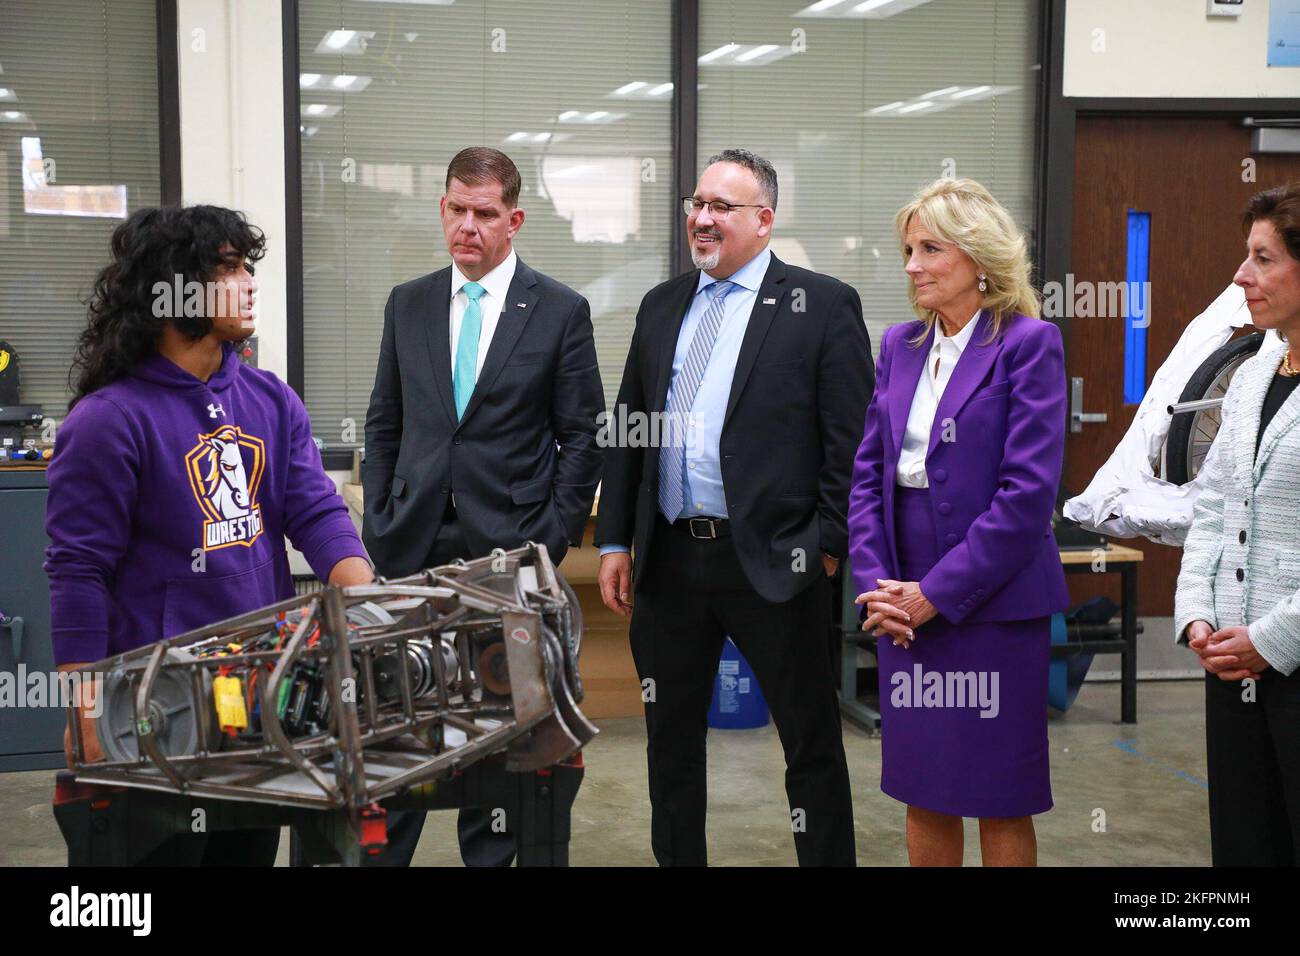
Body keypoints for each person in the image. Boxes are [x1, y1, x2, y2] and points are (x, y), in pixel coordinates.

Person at [45, 204, 374, 866]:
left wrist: (366, 594)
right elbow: (78, 572)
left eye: (248, 265)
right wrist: (84, 711)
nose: (250, 280)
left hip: (259, 700)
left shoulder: (271, 400)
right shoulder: (109, 420)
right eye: (229, 267)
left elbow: (314, 508)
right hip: (153, 711)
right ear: (173, 286)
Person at [595, 148, 871, 866]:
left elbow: (851, 443)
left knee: (809, 745)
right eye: (697, 203)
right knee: (671, 745)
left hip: (778, 563)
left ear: (764, 219)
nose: (703, 218)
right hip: (670, 562)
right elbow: (630, 426)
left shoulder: (821, 304)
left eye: (722, 206)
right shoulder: (661, 306)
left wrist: (830, 543)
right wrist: (616, 539)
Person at [361, 146, 603, 867]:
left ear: (514, 219)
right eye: (456, 210)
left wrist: (550, 538)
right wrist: (381, 514)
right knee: (396, 730)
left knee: (498, 737)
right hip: (411, 550)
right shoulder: (408, 303)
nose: (467, 226)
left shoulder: (559, 311)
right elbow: (383, 422)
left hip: (508, 559)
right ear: (442, 209)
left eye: (485, 214)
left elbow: (583, 437)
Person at [847, 178, 1068, 866]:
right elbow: (867, 477)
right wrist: (881, 588)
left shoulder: (1029, 344)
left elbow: (1026, 497)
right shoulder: (899, 345)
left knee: (1001, 793)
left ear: (978, 259)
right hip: (904, 609)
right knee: (926, 788)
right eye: (908, 248)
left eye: (930, 248)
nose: (911, 264)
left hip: (995, 606)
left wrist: (934, 594)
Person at [1175, 183, 1300, 866]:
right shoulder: (1255, 371)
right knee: (1245, 846)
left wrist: (1269, 639)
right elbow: (1216, 504)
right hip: (1230, 661)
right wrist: (1198, 611)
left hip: (1287, 656)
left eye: (1263, 258)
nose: (1241, 275)